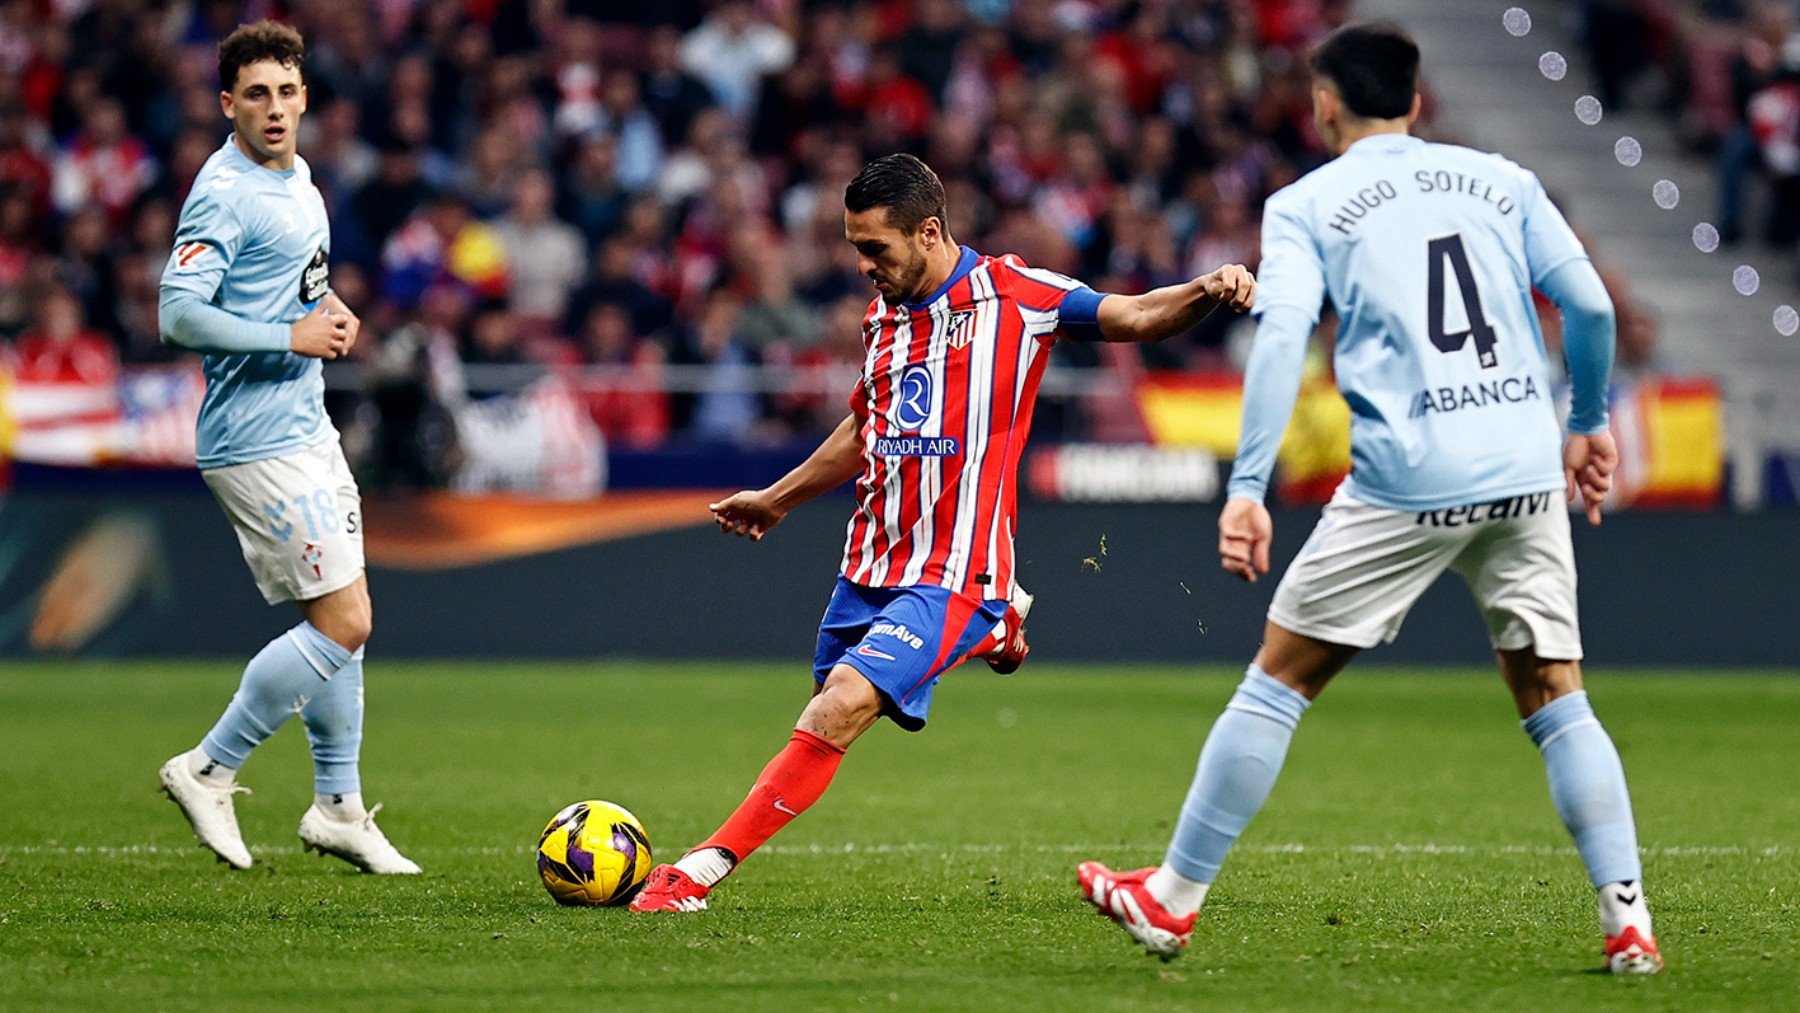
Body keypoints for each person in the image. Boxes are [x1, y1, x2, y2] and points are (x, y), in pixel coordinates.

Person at [1077, 22, 1661, 975]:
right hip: (1523, 467)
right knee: (1558, 694)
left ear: (1324, 104)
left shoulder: (1306, 204)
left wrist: (1250, 484)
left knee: (1280, 678)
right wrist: (1588, 420)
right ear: (1417, 103)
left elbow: (1280, 339)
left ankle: (1172, 898)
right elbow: (1592, 306)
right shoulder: (1503, 180)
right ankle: (1629, 918)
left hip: (1407, 477)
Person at [628, 153, 1255, 912]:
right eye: (855, 247)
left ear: (929, 232)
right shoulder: (882, 316)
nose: (862, 266)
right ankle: (996, 631)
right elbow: (866, 424)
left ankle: (695, 872)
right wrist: (779, 498)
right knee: (829, 702)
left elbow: (1135, 315)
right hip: (871, 560)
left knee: (838, 709)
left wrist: (1205, 288)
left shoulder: (1015, 295)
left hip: (956, 567)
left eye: (875, 249)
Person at [155, 21, 417, 875]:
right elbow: (178, 312)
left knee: (341, 623)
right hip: (253, 440)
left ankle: (338, 806)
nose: (273, 108)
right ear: (227, 104)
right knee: (346, 620)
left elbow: (294, 287)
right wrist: (291, 335)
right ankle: (208, 765)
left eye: (286, 91)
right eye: (254, 94)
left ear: (306, 97)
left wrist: (328, 312)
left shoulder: (299, 178)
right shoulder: (225, 190)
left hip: (306, 427)